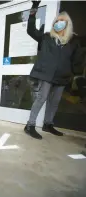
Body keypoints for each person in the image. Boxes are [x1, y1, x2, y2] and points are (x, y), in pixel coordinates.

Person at [24, 1, 84, 140]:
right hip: (46, 74)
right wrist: (34, 8)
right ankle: (30, 125)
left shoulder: (73, 41)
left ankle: (48, 124)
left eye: (62, 21)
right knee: (41, 98)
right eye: (57, 21)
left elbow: (76, 59)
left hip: (63, 76)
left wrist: (73, 74)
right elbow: (30, 30)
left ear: (67, 24)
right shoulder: (46, 37)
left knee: (55, 101)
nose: (59, 23)